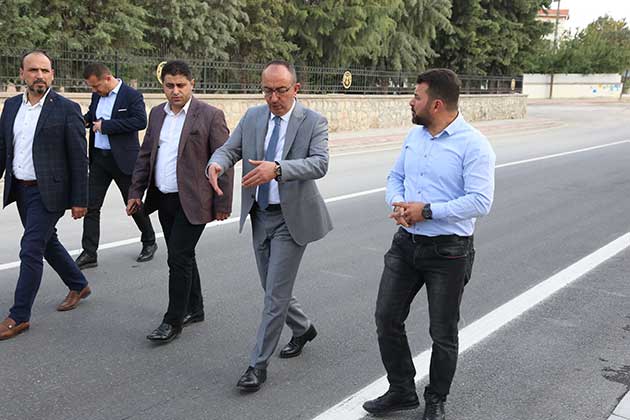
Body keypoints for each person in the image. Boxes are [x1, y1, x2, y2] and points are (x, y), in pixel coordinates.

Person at [362, 69, 496, 420]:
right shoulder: (415, 136)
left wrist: (428, 211)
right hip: (406, 244)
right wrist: (399, 204)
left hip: (449, 252)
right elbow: (396, 176)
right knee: (386, 317)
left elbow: (480, 201)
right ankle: (401, 390)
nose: (411, 101)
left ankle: (436, 399)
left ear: (436, 104)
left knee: (442, 332)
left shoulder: (474, 144)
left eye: (417, 97)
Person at [207, 60, 332, 392]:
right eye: (267, 91)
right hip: (260, 215)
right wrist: (216, 165)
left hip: (292, 219)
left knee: (274, 296)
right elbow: (230, 149)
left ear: (296, 89)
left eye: (281, 90)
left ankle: (257, 366)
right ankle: (303, 328)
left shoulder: (313, 121)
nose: (274, 98)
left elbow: (320, 163)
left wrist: (277, 169)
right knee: (271, 287)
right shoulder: (253, 117)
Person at [127, 60, 233, 343]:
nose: (175, 91)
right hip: (164, 198)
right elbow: (145, 156)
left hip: (195, 200)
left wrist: (222, 205)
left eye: (181, 85)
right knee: (184, 255)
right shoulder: (156, 114)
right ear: (162, 86)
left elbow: (224, 161)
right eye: (169, 86)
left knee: (177, 257)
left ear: (192, 84)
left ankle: (172, 321)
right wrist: (136, 192)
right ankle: (195, 308)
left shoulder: (210, 115)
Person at [0, 50, 91, 341]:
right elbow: (4, 148)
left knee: (30, 248)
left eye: (45, 70)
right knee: (47, 242)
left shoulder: (66, 108)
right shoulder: (11, 106)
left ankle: (19, 316)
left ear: (52, 74)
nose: (39, 75)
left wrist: (80, 199)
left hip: (49, 191)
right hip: (21, 189)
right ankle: (78, 283)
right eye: (33, 70)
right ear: (22, 74)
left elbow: (79, 158)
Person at [75, 63, 156, 269]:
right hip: (99, 160)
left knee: (133, 204)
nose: (94, 90)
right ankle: (89, 252)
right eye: (92, 87)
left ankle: (149, 241)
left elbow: (140, 121)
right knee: (91, 206)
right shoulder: (97, 96)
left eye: (96, 86)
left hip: (123, 160)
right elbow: (92, 115)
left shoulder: (131, 96)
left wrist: (107, 126)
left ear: (108, 78)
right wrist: (82, 121)